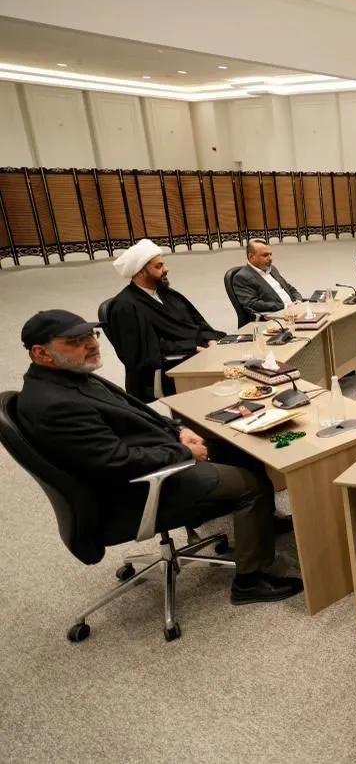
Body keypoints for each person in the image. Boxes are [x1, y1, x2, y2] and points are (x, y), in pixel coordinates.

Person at [14, 310, 302, 605]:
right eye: (75, 341)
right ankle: (250, 581)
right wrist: (184, 452)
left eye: (91, 335)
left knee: (241, 449)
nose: (91, 344)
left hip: (154, 453)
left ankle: (260, 525)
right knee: (249, 484)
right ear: (41, 353)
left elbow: (137, 413)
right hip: (136, 488)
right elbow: (115, 462)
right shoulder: (54, 405)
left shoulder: (69, 377)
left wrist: (178, 430)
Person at [104, 239, 225, 403]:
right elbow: (143, 352)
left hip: (199, 352)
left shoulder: (166, 293)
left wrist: (210, 339)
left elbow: (197, 322)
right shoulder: (125, 306)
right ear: (141, 272)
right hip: (165, 369)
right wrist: (192, 348)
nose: (166, 269)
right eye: (159, 266)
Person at [231, 238, 302, 321]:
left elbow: (290, 289)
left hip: (294, 311)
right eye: (265, 255)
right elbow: (253, 304)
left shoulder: (272, 269)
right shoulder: (242, 277)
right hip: (275, 317)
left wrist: (298, 301)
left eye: (270, 254)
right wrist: (285, 306)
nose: (270, 258)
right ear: (251, 257)